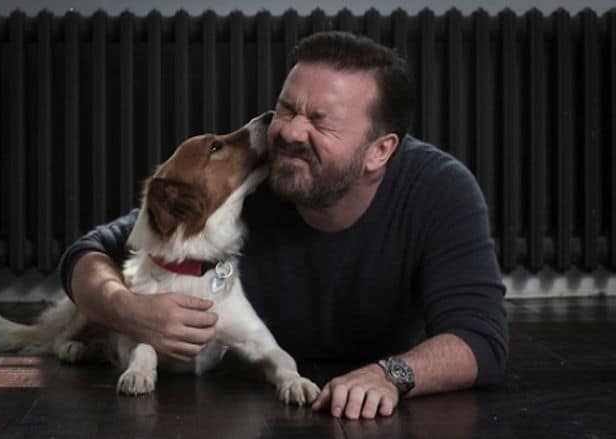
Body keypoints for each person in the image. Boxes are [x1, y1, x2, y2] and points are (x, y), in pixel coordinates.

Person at [59, 31, 508, 420]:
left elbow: (480, 339)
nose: (290, 132)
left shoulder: (438, 190)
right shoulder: (253, 180)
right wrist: (124, 310)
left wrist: (390, 374)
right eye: (287, 108)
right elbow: (89, 252)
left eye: (319, 121)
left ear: (380, 150)